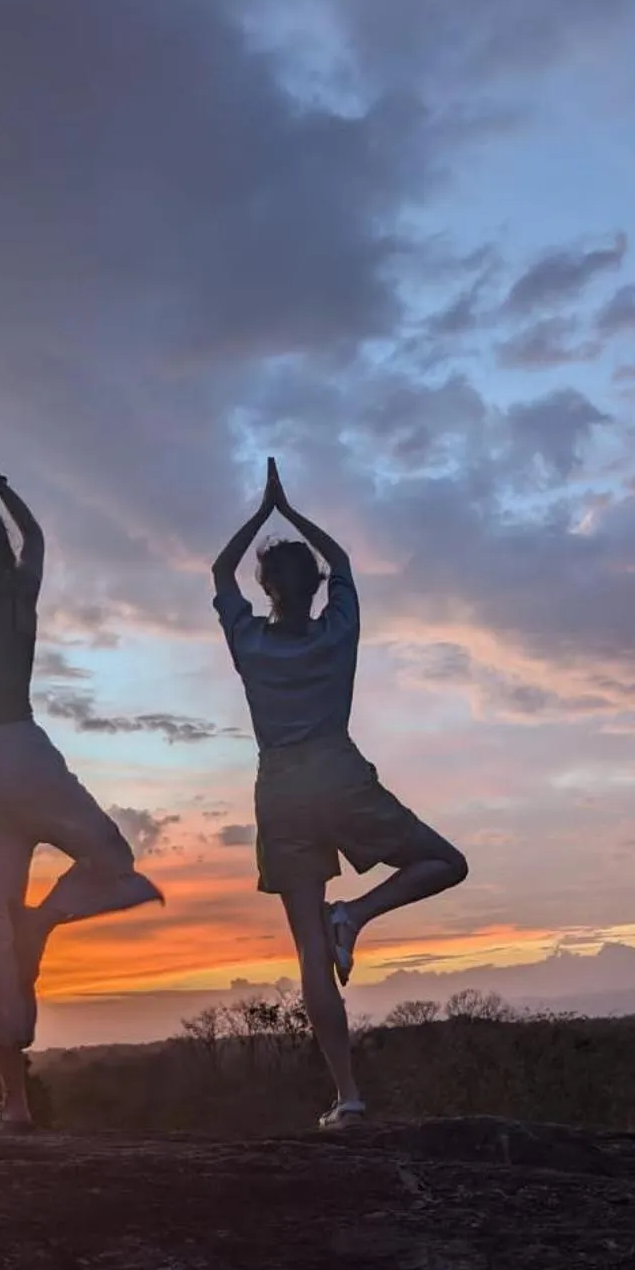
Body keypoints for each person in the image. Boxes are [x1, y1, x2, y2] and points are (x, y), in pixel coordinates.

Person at [0, 414, 163, 1133]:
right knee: (109, 856)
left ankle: (14, 1101)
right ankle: (42, 922)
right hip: (19, 748)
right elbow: (37, 538)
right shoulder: (16, 597)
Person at [211, 459, 468, 1129]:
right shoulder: (338, 630)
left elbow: (219, 572)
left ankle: (348, 1097)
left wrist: (262, 512)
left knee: (309, 956)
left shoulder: (249, 641)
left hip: (281, 787)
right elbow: (345, 561)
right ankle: (354, 913)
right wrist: (291, 511)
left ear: (266, 587)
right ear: (318, 585)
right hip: (338, 770)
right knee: (446, 862)